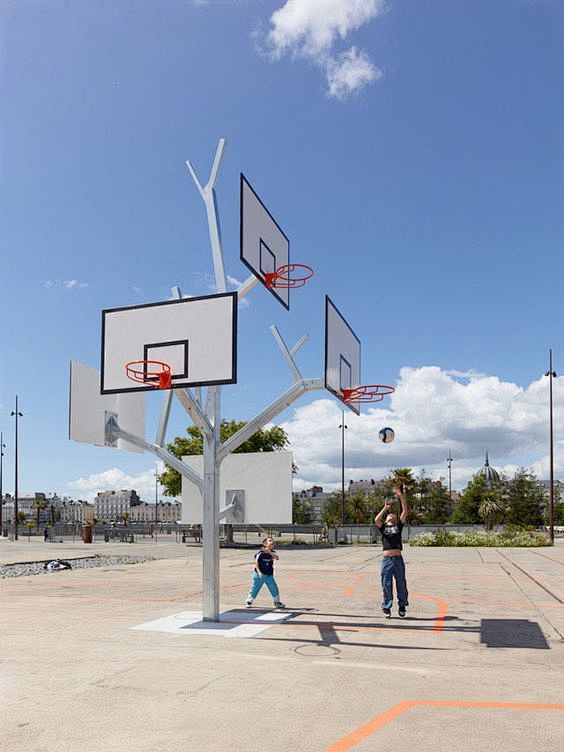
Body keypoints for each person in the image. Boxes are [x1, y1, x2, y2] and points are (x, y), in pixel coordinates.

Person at [374, 486, 409, 618]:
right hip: (387, 560)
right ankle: (387, 606)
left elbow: (405, 511)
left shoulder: (398, 526)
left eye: (392, 515)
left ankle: (402, 605)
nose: (391, 515)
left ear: (394, 519)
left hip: (398, 560)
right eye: (389, 515)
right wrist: (385, 508)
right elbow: (376, 520)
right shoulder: (383, 527)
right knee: (386, 584)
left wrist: (401, 496)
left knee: (401, 583)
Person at [246, 537, 285, 609]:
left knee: (274, 588)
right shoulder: (260, 553)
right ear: (265, 544)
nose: (272, 542)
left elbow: (277, 558)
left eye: (272, 541)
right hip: (259, 575)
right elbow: (256, 563)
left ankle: (277, 602)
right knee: (255, 588)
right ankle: (249, 601)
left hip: (269, 575)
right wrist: (259, 572)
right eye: (270, 541)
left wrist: (269, 552)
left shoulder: (273, 553)